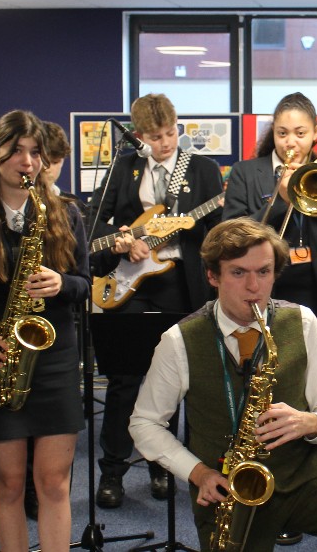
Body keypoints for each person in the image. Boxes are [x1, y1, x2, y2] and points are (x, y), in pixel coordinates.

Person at [129, 217, 317, 551]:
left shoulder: (301, 321)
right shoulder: (179, 340)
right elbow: (144, 423)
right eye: (238, 272)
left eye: (264, 272)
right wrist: (197, 473)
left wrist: (310, 422)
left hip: (305, 478)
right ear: (212, 276)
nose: (254, 287)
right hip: (228, 489)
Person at [88, 93, 225, 508]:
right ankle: (111, 471)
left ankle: (162, 468)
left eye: (170, 133)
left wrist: (189, 232)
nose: (165, 143)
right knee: (124, 381)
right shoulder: (123, 167)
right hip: (128, 285)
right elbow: (97, 218)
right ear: (140, 137)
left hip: (179, 287)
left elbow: (218, 230)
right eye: (155, 136)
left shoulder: (201, 169)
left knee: (172, 383)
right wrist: (124, 239)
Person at [0, 109, 90, 552]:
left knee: (54, 483)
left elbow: (84, 284)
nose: (28, 161)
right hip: (0, 353)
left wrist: (61, 283)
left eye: (36, 152)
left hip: (53, 353)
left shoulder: (64, 213)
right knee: (10, 483)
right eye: (17, 150)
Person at [222, 91, 317, 369]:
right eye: (282, 133)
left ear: (315, 134)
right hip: (263, 296)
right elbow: (231, 240)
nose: (290, 142)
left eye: (300, 133)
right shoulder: (245, 173)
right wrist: (281, 200)